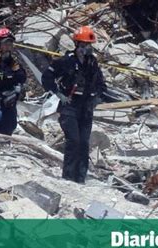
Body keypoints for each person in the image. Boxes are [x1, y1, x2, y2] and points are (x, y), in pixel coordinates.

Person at [41, 26, 107, 184]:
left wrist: (97, 97)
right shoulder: (66, 61)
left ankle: (80, 178)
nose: (87, 48)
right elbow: (47, 77)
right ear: (77, 45)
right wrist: (59, 94)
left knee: (84, 143)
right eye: (84, 45)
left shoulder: (92, 63)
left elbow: (101, 83)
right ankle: (68, 177)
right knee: (74, 141)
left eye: (89, 45)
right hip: (70, 106)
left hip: (86, 107)